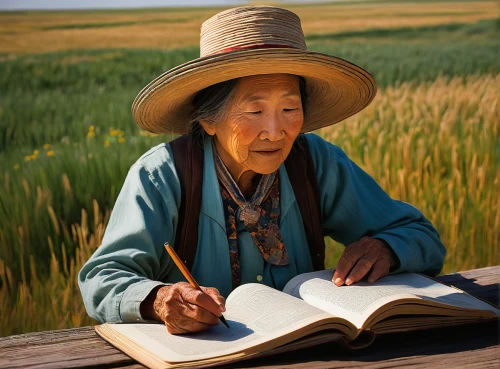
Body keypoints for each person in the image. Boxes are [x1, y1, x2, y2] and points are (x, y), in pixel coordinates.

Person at [78, 6, 446, 335]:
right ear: (209, 119)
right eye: (254, 111)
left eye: (289, 109)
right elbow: (101, 279)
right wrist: (160, 299)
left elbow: (420, 236)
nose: (275, 131)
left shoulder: (315, 162)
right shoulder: (163, 176)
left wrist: (385, 247)